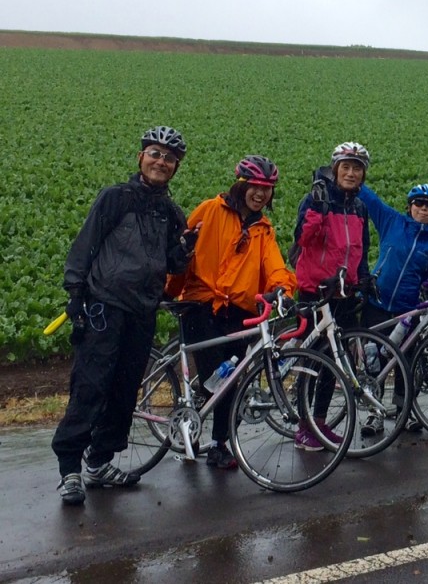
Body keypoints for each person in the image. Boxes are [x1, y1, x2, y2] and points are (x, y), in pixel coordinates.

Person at [52, 126, 195, 506]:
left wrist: (185, 250)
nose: (160, 162)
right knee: (91, 386)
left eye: (169, 158)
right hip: (105, 305)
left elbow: (172, 263)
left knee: (123, 391)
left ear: (175, 167)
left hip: (142, 311)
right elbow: (85, 245)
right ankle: (70, 470)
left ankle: (98, 463)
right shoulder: (116, 198)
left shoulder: (169, 211)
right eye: (154, 153)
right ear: (140, 157)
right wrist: (75, 295)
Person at [164, 155, 297, 468]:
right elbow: (181, 250)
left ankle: (219, 444)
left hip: (239, 310)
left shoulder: (264, 230)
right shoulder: (210, 210)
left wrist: (283, 291)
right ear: (241, 185)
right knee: (218, 378)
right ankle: (193, 419)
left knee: (231, 379)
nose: (260, 194)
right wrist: (169, 289)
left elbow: (275, 266)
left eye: (267, 189)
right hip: (200, 304)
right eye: (255, 186)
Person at [291, 141, 372, 450]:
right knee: (311, 361)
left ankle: (320, 423)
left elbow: (361, 247)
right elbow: (302, 239)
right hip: (316, 290)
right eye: (346, 167)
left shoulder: (359, 206)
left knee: (334, 362)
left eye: (357, 168)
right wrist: (316, 209)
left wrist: (364, 278)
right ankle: (303, 426)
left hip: (344, 291)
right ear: (335, 169)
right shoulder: (316, 199)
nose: (351, 173)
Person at [359, 182, 428, 431]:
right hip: (377, 302)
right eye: (419, 203)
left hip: (407, 310)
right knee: (374, 363)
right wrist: (351, 177)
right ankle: (374, 413)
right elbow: (371, 200)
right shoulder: (392, 221)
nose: (424, 209)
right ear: (409, 206)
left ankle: (403, 412)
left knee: (404, 364)